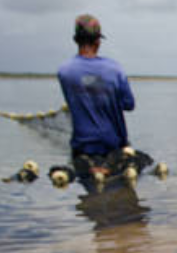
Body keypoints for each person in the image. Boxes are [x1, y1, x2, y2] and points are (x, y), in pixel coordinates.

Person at [57, 14, 135, 176]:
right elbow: (129, 104)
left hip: (82, 149)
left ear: (75, 39)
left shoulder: (64, 71)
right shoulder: (115, 69)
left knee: (87, 196)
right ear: (98, 41)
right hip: (114, 147)